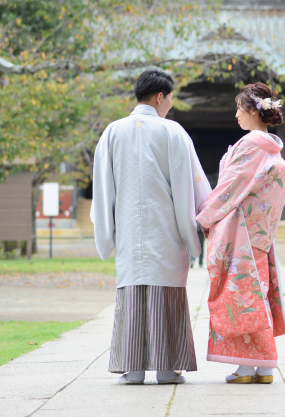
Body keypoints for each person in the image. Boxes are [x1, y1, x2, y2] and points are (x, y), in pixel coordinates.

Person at [91, 69, 211, 385]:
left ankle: (131, 369)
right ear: (160, 97)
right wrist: (205, 218)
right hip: (167, 230)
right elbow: (195, 182)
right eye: (170, 98)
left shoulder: (112, 132)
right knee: (167, 294)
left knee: (132, 293)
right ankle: (168, 368)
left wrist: (107, 229)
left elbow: (103, 188)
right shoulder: (172, 132)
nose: (170, 104)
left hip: (129, 230)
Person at [196, 83, 285, 384]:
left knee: (239, 298)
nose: (236, 114)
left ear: (253, 110)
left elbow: (229, 188)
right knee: (255, 296)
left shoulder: (250, 145)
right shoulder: (272, 148)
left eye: (239, 108)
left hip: (240, 236)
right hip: (259, 236)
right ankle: (263, 368)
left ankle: (246, 367)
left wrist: (204, 216)